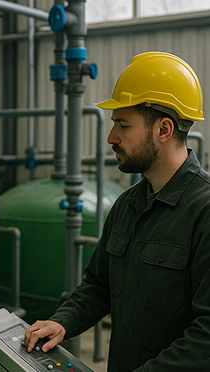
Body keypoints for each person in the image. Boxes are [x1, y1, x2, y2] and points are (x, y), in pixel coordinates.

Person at [24, 51, 210, 371]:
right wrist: (63, 321)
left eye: (123, 125)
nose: (111, 138)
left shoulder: (204, 212)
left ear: (164, 130)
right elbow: (99, 286)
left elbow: (206, 336)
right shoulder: (128, 205)